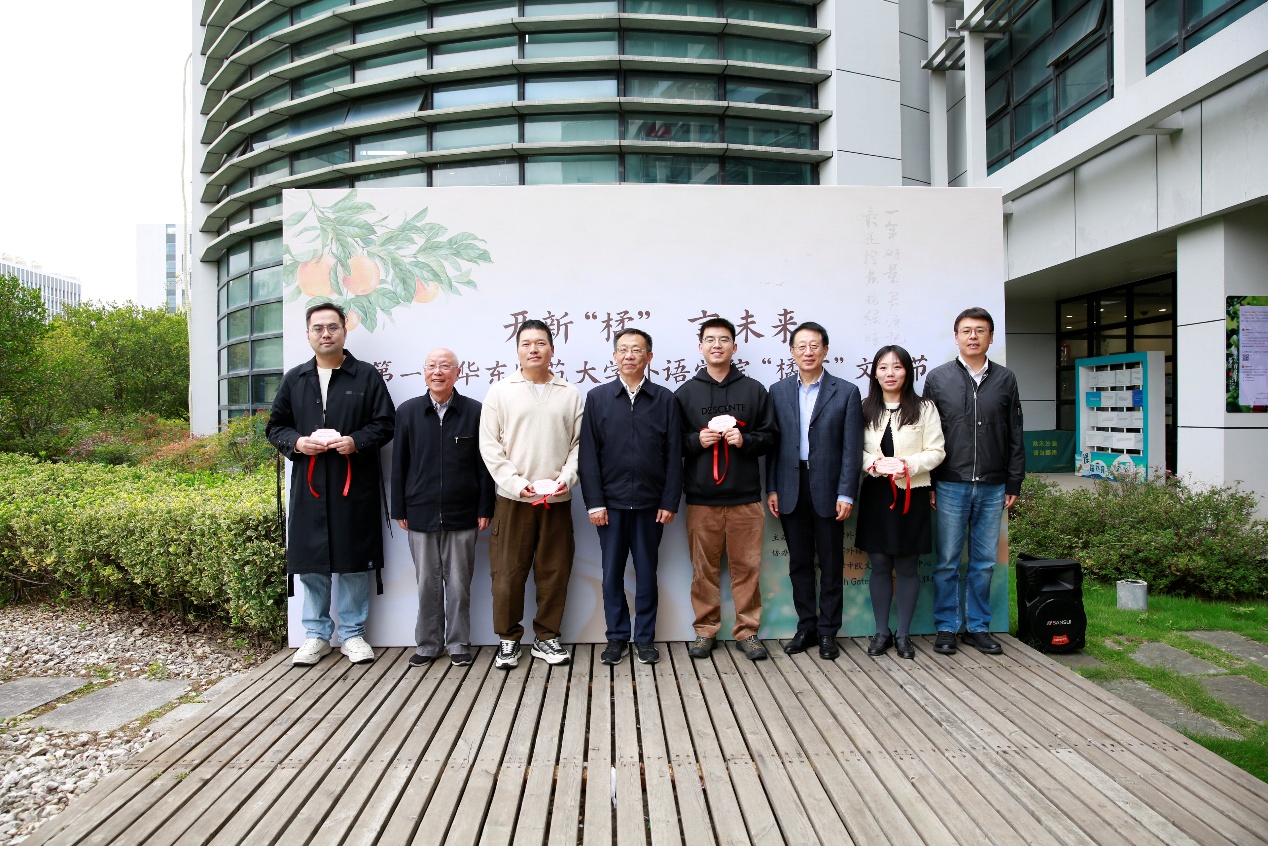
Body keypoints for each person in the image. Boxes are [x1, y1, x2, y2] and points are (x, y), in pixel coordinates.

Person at [267, 302, 396, 667]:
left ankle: (353, 634)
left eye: (332, 327)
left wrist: (356, 441)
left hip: (353, 483)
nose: (326, 334)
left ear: (344, 331)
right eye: (318, 328)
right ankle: (317, 635)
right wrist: (297, 442)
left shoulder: (366, 376)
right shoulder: (295, 378)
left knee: (354, 558)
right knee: (311, 561)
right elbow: (275, 426)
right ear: (308, 334)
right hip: (309, 484)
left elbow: (385, 423)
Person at [480, 319, 584, 669]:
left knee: (554, 572)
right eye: (526, 344)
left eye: (541, 343)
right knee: (507, 574)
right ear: (517, 350)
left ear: (552, 349)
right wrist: (514, 483)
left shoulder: (569, 393)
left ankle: (547, 637)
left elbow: (579, 445)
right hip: (514, 500)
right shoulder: (500, 391)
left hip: (557, 500)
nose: (534, 349)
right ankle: (508, 640)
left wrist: (567, 479)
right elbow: (489, 446)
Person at [675, 317, 778, 661]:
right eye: (710, 340)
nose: (716, 345)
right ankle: (705, 631)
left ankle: (748, 631)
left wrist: (746, 440)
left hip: (745, 500)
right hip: (701, 500)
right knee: (703, 570)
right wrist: (695, 440)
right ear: (700, 346)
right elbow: (671, 443)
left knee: (747, 568)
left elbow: (771, 437)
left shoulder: (753, 390)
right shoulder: (685, 393)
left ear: (734, 347)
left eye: (723, 340)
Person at [923, 307, 1024, 655]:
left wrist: (1014, 481)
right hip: (951, 483)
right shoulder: (938, 379)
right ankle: (947, 626)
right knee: (947, 561)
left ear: (991, 337)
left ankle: (978, 626)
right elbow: (928, 436)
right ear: (956, 337)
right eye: (966, 331)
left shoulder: (1006, 379)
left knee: (983, 562)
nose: (973, 336)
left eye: (980, 330)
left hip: (994, 485)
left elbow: (1015, 433)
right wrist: (931, 483)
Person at [579, 328, 682, 666]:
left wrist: (669, 501)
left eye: (636, 350)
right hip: (610, 505)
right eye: (623, 349)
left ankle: (645, 638)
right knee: (611, 574)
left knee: (647, 573)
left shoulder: (664, 399)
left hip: (651, 506)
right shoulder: (598, 398)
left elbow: (674, 455)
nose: (629, 355)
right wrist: (595, 502)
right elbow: (588, 456)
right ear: (614, 356)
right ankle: (617, 636)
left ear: (649, 357)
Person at [391, 348, 495, 669]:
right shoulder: (408, 412)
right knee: (427, 583)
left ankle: (458, 642)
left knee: (460, 583)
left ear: (458, 372)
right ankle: (428, 643)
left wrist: (485, 506)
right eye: (432, 366)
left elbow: (484, 465)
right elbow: (399, 464)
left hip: (463, 513)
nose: (438, 372)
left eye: (445, 366)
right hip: (419, 511)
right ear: (424, 372)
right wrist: (399, 508)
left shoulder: (475, 411)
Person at [766, 322, 863, 661]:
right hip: (790, 486)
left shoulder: (846, 392)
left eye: (814, 346)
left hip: (829, 488)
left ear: (825, 350)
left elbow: (852, 449)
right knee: (800, 562)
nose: (808, 352)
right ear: (792, 352)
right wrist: (773, 487)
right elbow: (774, 445)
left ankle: (828, 631)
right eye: (801, 346)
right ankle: (806, 626)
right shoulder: (778, 391)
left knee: (832, 563)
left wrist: (846, 493)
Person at [855, 345, 945, 660]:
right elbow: (852, 449)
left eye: (897, 367)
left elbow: (937, 450)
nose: (890, 373)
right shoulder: (864, 407)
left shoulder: (924, 408)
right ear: (874, 373)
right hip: (876, 493)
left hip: (911, 491)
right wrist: (874, 463)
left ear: (908, 371)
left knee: (907, 565)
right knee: (879, 564)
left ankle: (904, 634)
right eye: (883, 367)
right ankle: (882, 632)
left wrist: (907, 465)